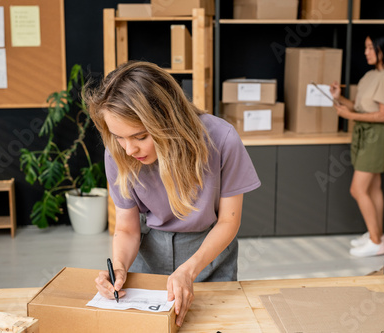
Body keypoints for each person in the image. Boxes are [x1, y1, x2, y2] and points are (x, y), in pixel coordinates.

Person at [85, 61, 261, 326]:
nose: (129, 149)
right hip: (149, 256)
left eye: (140, 136)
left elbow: (228, 221)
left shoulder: (222, 139)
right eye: (118, 137)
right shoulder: (118, 151)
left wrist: (189, 271)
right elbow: (127, 228)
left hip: (209, 257)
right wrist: (120, 266)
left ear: (168, 120)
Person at [330, 29, 384, 258]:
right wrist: (339, 99)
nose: (366, 52)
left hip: (376, 137)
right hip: (363, 135)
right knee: (373, 188)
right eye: (366, 47)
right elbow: (361, 108)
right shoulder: (369, 76)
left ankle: (375, 242)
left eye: (371, 47)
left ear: (382, 50)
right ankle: (377, 234)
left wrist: (349, 117)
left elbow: (383, 115)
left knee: (357, 189)